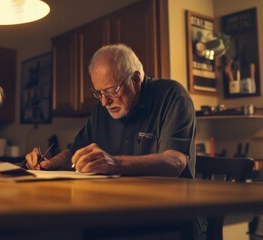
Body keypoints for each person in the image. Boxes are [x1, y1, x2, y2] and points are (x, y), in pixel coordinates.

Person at [26, 43, 196, 178]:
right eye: (98, 93)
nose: (104, 102)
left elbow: (175, 162)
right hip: (122, 206)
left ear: (135, 80)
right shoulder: (103, 108)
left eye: (111, 91)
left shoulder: (173, 96)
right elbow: (75, 153)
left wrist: (115, 163)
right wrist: (49, 164)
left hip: (171, 213)